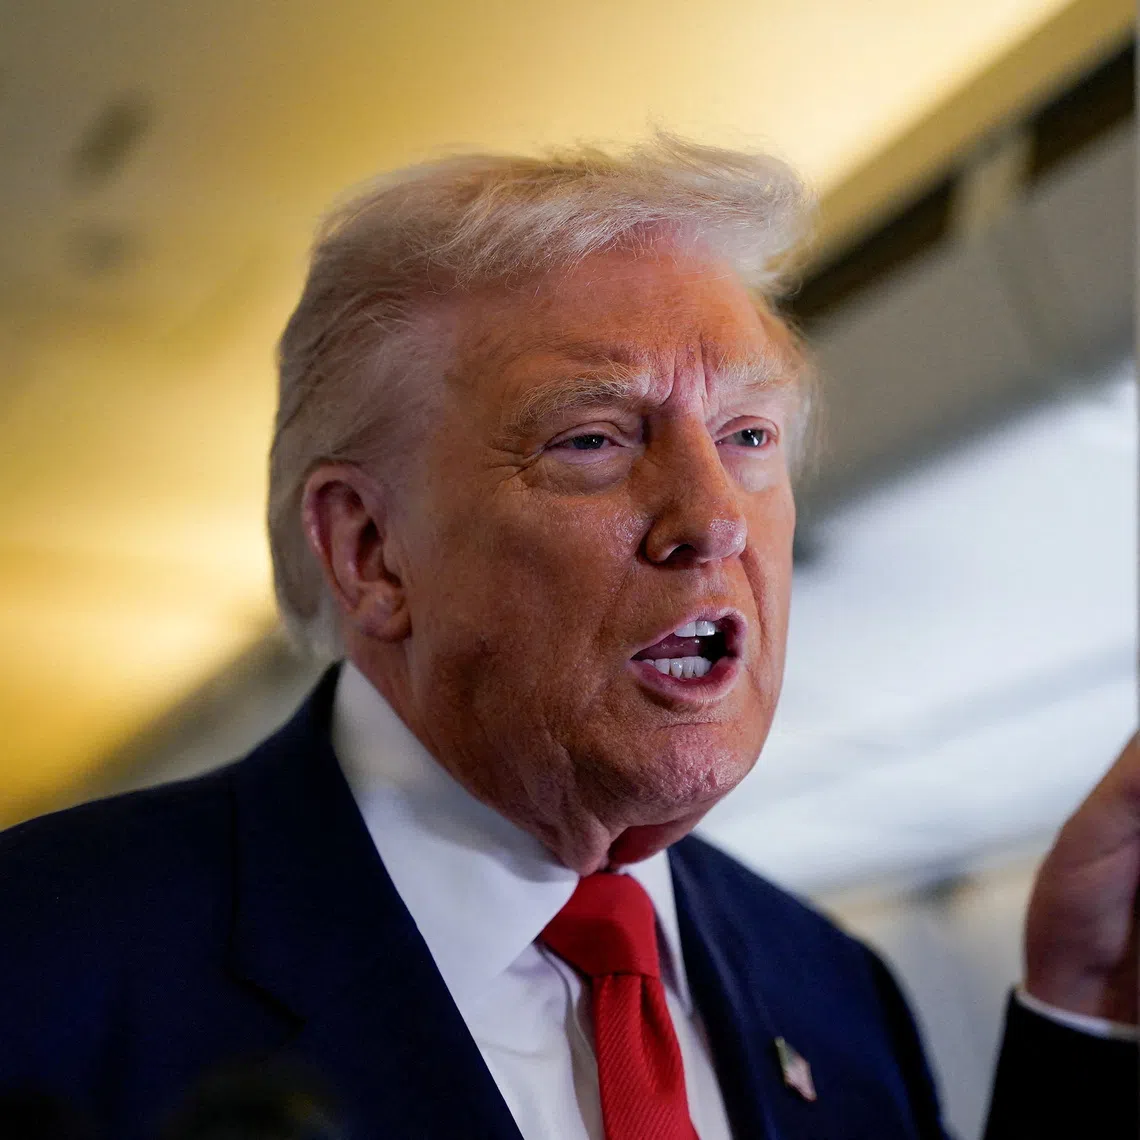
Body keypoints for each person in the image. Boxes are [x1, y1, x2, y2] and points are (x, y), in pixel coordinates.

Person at [0, 136, 1136, 1140]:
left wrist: (1080, 1020)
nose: (713, 519)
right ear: (369, 552)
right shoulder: (46, 960)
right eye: (593, 440)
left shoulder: (833, 990)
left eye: (748, 433)